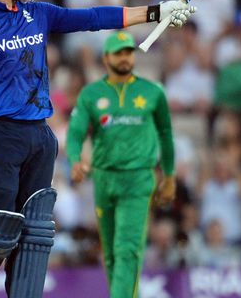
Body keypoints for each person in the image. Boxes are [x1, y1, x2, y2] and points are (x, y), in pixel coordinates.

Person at [0, 0, 194, 298]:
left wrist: (154, 12)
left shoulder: (37, 13)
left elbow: (93, 18)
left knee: (36, 231)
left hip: (39, 135)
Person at [65, 31, 176, 298]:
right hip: (103, 178)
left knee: (127, 248)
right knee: (113, 253)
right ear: (106, 58)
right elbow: (76, 133)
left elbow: (165, 134)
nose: (125, 58)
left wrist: (169, 175)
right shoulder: (91, 94)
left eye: (129, 52)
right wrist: (75, 159)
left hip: (138, 178)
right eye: (119, 53)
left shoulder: (152, 92)